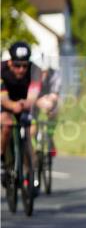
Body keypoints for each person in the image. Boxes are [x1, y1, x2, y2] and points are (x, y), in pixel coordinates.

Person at [1, 41, 42, 186]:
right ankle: (2, 159)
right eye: (17, 65)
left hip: (24, 103)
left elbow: (34, 94)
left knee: (29, 130)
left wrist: (25, 104)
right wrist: (13, 105)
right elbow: (3, 98)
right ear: (10, 62)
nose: (21, 70)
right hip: (5, 102)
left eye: (25, 65)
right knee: (6, 123)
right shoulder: (2, 70)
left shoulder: (35, 70)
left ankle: (29, 169)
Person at [33, 51, 61, 156]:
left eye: (45, 72)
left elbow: (55, 93)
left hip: (48, 98)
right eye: (41, 72)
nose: (43, 74)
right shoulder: (31, 74)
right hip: (35, 99)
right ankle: (34, 142)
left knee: (56, 107)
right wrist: (37, 101)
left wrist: (50, 100)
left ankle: (50, 136)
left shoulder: (55, 74)